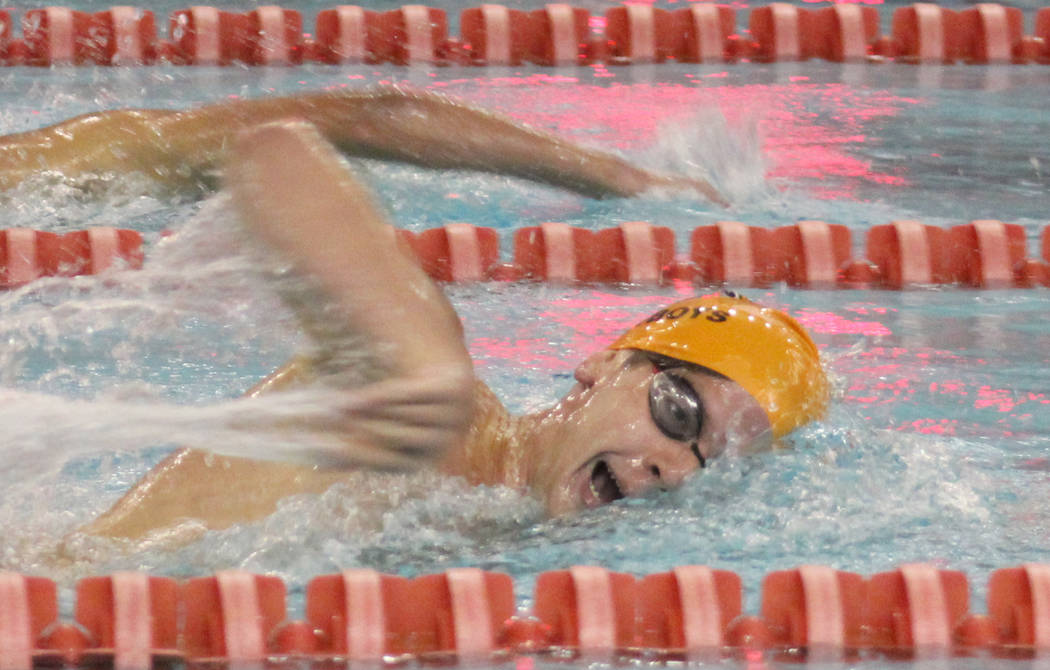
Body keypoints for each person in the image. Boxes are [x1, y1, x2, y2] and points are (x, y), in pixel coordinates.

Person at [79, 119, 829, 542]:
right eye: (678, 410)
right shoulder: (442, 411)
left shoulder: (500, 525)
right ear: (604, 364)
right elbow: (274, 148)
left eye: (716, 457)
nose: (677, 464)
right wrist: (420, 367)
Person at [0, 87, 726, 204]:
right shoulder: (66, 158)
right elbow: (371, 116)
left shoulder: (68, 159)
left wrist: (609, 174)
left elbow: (370, 117)